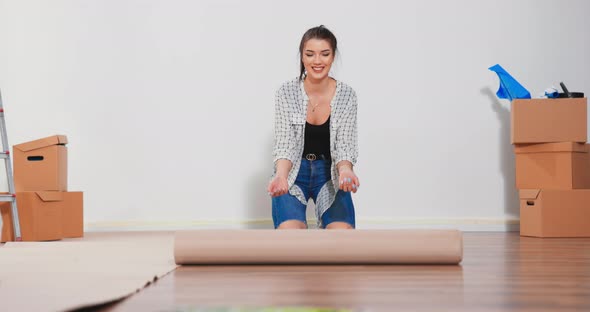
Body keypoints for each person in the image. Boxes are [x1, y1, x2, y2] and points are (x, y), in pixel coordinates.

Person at [267, 25, 360, 230]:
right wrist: (281, 176)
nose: (317, 61)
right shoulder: (286, 92)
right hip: (294, 173)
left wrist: (345, 171)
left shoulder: (347, 95)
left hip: (330, 174)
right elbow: (284, 144)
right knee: (291, 238)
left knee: (342, 240)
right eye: (310, 54)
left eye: (324, 54)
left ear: (333, 57)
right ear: (302, 57)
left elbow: (345, 145)